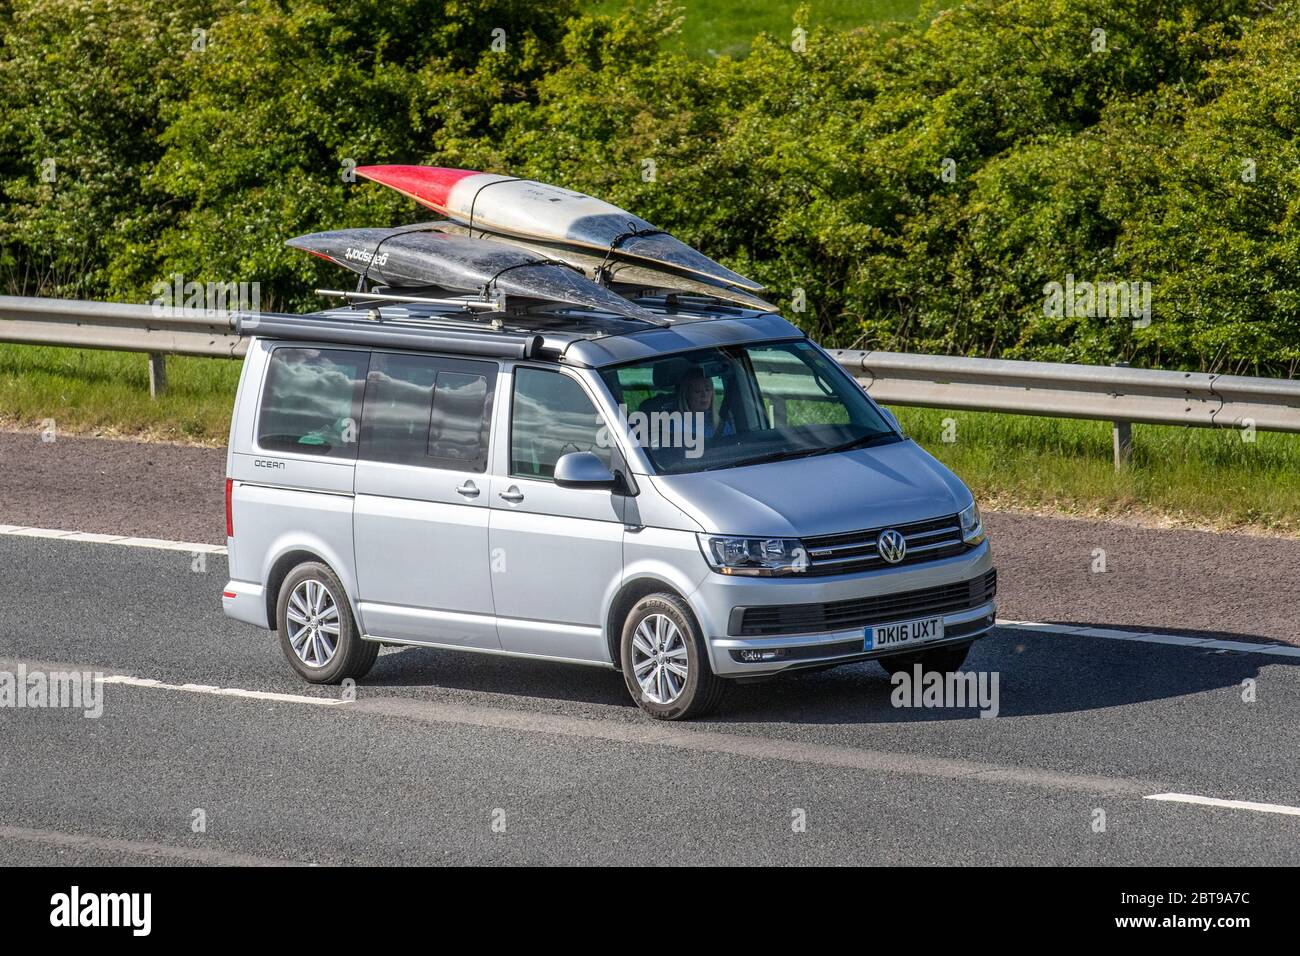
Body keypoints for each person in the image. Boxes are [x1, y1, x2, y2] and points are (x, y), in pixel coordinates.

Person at [675, 367, 734, 440]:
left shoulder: (720, 424)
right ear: (686, 395)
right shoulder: (675, 426)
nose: (704, 395)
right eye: (697, 391)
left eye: (708, 389)